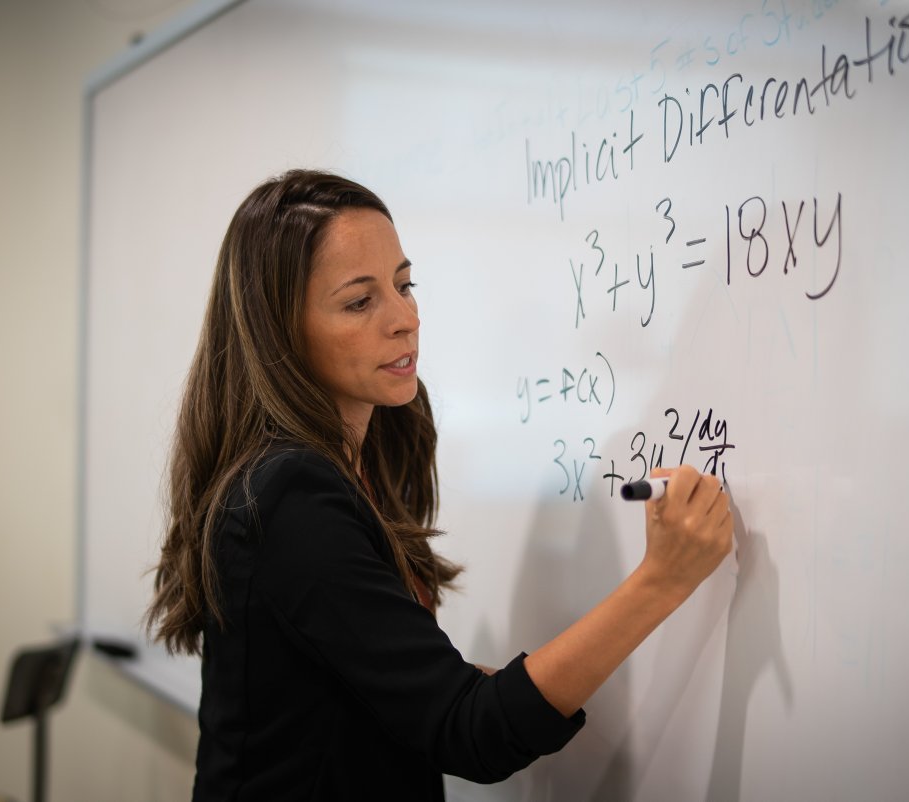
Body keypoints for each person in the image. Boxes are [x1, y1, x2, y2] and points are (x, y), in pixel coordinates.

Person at [146, 169, 734, 800]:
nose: (405, 318)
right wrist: (663, 580)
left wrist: (474, 685)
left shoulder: (364, 454)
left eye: (405, 285)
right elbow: (467, 732)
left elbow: (383, 682)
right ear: (279, 332)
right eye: (359, 301)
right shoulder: (289, 495)